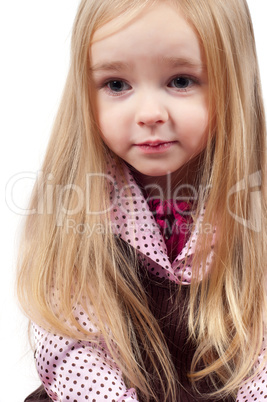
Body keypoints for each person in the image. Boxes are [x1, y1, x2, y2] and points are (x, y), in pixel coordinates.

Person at [18, 0, 267, 400]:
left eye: (181, 81)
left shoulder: (253, 208)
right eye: (117, 85)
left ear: (231, 82)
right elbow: (70, 349)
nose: (149, 113)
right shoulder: (79, 207)